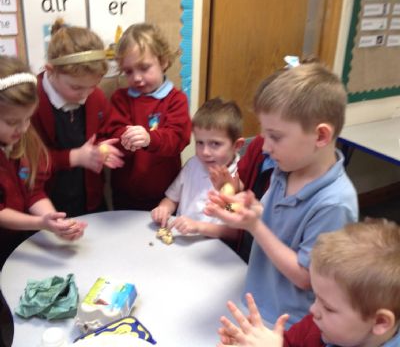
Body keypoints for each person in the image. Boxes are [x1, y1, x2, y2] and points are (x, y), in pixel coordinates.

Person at [205, 62, 359, 327]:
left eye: (275, 137)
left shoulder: (334, 204)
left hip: (287, 324)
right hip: (256, 302)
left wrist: (254, 226)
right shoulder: (284, 171)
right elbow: (263, 219)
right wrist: (233, 209)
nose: (265, 147)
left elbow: (305, 277)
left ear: (321, 136)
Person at [217, 220, 400, 347]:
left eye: (328, 307)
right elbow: (290, 342)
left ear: (380, 322)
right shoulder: (318, 324)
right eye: (316, 298)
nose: (313, 309)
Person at [0, 55, 86, 268]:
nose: (23, 128)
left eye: (27, 118)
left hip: (19, 244)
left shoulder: (24, 140)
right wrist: (40, 223)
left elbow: (33, 190)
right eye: (12, 122)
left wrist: (54, 221)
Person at [31, 19, 123, 217]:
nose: (85, 94)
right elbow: (27, 161)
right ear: (50, 71)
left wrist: (103, 147)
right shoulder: (32, 102)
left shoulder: (95, 97)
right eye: (76, 87)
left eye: (93, 85)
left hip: (90, 202)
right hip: (46, 207)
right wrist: (75, 157)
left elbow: (108, 129)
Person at [108, 22, 191, 210]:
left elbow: (178, 138)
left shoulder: (176, 99)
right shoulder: (120, 99)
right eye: (129, 71)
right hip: (124, 195)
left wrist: (150, 139)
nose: (136, 78)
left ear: (163, 62)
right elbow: (112, 134)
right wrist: (125, 139)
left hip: (165, 197)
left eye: (144, 68)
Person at [151, 97, 244, 241]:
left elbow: (234, 233)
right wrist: (164, 208)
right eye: (200, 143)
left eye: (215, 144)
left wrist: (198, 227)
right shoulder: (192, 165)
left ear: (236, 145)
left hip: (214, 249)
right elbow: (171, 199)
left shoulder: (240, 177)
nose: (205, 152)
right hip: (180, 241)